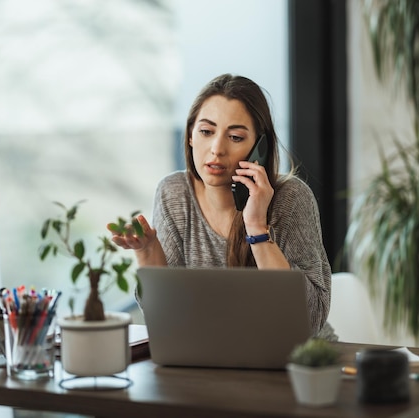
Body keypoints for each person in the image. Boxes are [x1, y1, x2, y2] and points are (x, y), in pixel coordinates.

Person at [108, 74, 336, 340]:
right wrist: (147, 251)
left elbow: (310, 321)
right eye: (206, 132)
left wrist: (257, 228)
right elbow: (163, 316)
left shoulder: (292, 199)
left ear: (259, 147)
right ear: (191, 135)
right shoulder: (174, 193)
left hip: (300, 363)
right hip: (211, 357)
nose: (216, 149)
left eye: (236, 137)